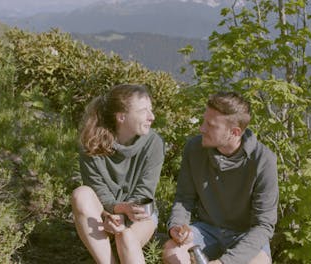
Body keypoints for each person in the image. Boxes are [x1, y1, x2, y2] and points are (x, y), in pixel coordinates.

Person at [162, 91, 278, 264]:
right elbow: (184, 199)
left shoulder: (263, 160)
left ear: (235, 132)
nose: (202, 128)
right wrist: (177, 226)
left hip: (246, 236)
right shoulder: (194, 148)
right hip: (206, 230)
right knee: (172, 251)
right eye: (204, 121)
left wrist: (225, 262)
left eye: (211, 125)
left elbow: (263, 226)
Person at [71, 84, 165, 264]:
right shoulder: (91, 142)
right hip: (105, 212)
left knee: (127, 238)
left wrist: (124, 216)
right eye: (144, 111)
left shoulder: (154, 143)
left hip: (140, 214)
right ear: (121, 116)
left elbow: (145, 193)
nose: (151, 117)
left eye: (151, 110)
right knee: (81, 194)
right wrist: (111, 214)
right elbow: (97, 190)